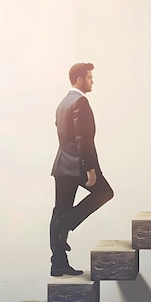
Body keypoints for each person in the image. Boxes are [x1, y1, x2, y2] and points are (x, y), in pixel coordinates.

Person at [49, 62, 114, 276]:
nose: (92, 80)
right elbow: (83, 138)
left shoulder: (63, 103)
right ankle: (65, 223)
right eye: (89, 77)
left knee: (59, 211)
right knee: (105, 193)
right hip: (78, 165)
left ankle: (58, 264)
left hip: (62, 165)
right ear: (79, 79)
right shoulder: (80, 102)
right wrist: (90, 168)